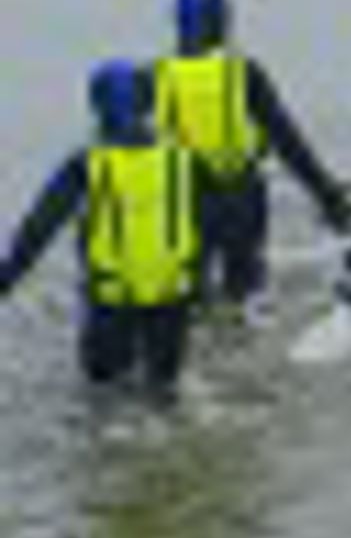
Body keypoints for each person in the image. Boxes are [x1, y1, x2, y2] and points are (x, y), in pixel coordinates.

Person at [0, 59, 202, 394]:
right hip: (171, 304)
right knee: (164, 398)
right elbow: (204, 228)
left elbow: (37, 232)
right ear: (147, 104)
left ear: (98, 108)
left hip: (111, 306)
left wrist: (6, 282)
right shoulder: (181, 160)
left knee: (103, 406)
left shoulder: (85, 165)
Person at [153, 0, 351, 299]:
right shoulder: (242, 72)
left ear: (178, 25)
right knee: (245, 290)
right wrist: (327, 195)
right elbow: (287, 140)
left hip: (182, 204)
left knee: (187, 293)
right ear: (223, 24)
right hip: (240, 197)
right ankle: (243, 340)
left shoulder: (155, 77)